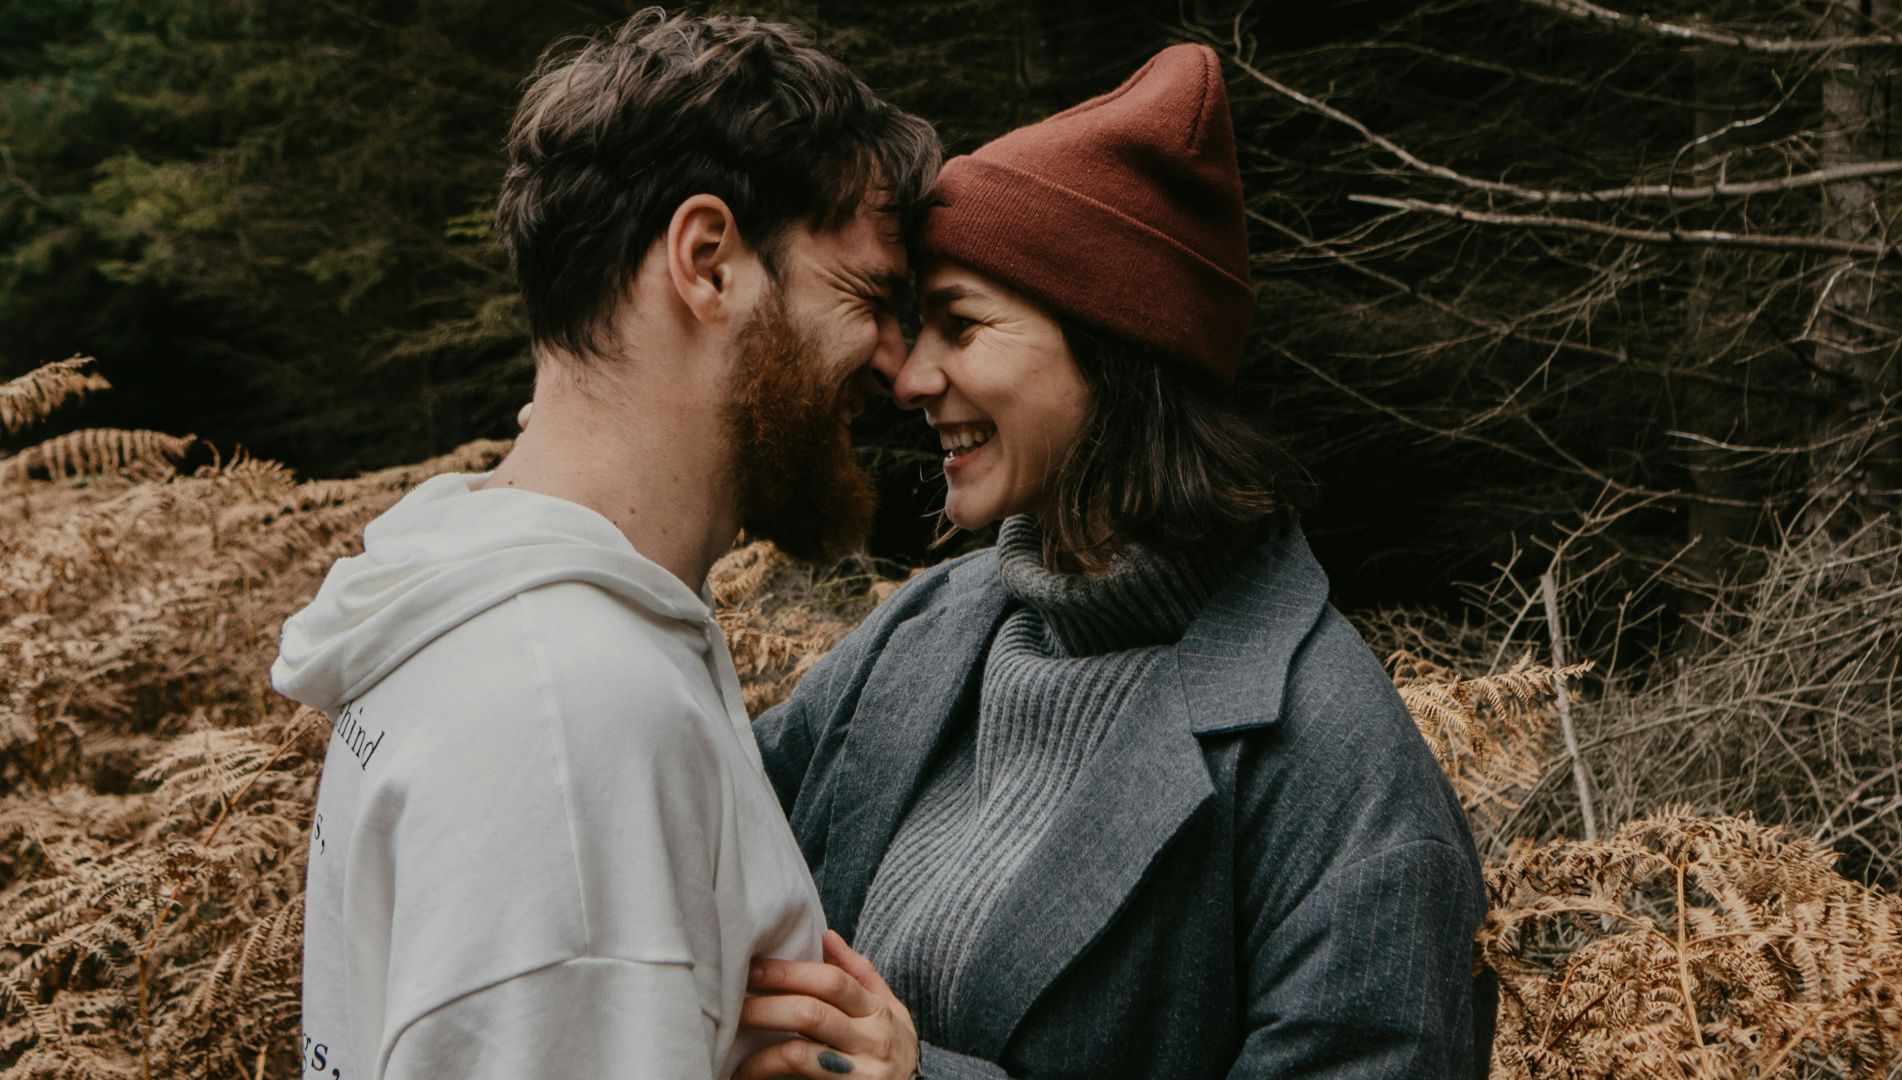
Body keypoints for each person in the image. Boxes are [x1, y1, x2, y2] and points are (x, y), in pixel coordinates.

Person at [735, 44, 1496, 1079]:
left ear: (1116, 346)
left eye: (960, 323)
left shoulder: (1340, 777)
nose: (910, 375)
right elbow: (702, 851)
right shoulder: (928, 630)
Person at [270, 11, 939, 1078]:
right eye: (865, 296)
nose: (900, 368)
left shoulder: (515, 623)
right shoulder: (571, 716)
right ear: (709, 262)